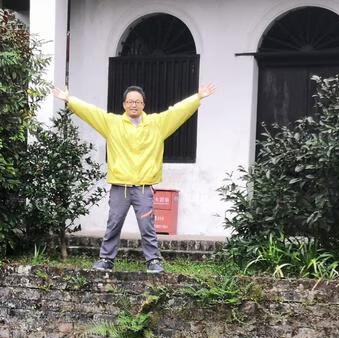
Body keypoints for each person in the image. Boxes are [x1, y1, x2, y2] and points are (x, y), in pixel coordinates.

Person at [52, 83, 216, 273]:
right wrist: (69, 99)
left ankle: (153, 260)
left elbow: (177, 112)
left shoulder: (157, 124)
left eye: (138, 102)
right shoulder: (112, 123)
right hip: (119, 187)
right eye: (130, 101)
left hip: (144, 187)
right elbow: (91, 112)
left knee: (147, 227)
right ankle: (106, 259)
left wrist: (197, 97)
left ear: (143, 104)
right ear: (124, 104)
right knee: (113, 224)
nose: (134, 105)